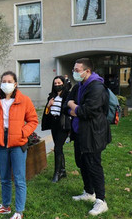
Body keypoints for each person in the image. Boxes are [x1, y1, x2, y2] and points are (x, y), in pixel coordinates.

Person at [0, 71, 38, 219]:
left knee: (19, 179)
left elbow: (33, 120)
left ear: (15, 84)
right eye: (4, 81)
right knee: (4, 177)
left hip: (18, 142)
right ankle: (6, 206)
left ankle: (19, 211)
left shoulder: (24, 100)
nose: (6, 84)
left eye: (9, 81)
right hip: (1, 141)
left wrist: (23, 132)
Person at [64, 58, 111, 216]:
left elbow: (86, 111)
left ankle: (101, 200)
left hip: (93, 133)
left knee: (93, 165)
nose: (74, 72)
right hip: (79, 132)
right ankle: (89, 192)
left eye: (77, 70)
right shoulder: (78, 86)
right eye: (74, 69)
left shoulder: (97, 87)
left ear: (87, 71)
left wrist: (73, 106)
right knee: (82, 162)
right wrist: (74, 108)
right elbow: (66, 104)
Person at [41, 76, 70, 183]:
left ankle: (57, 173)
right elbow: (47, 111)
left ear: (63, 83)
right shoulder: (51, 96)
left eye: (59, 83)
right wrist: (49, 105)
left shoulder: (67, 95)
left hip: (63, 124)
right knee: (59, 148)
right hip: (54, 124)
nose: (57, 85)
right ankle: (62, 170)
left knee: (57, 148)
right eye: (55, 83)